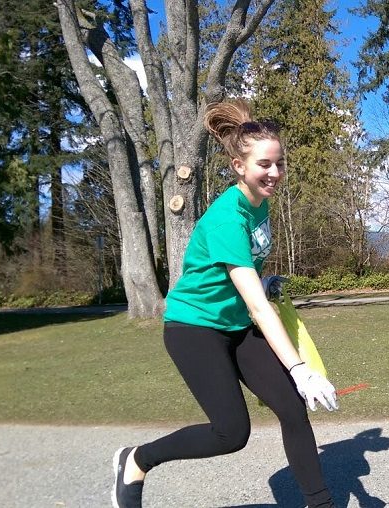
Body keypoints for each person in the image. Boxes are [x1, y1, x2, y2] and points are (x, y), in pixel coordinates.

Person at [112, 99, 339, 508]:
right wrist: (300, 370)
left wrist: (264, 280)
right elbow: (258, 309)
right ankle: (136, 459)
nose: (274, 173)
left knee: (291, 407)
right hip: (194, 328)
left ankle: (320, 504)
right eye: (264, 165)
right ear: (239, 167)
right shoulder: (226, 220)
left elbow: (244, 276)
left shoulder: (260, 203)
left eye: (279, 163)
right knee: (231, 434)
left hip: (235, 324)